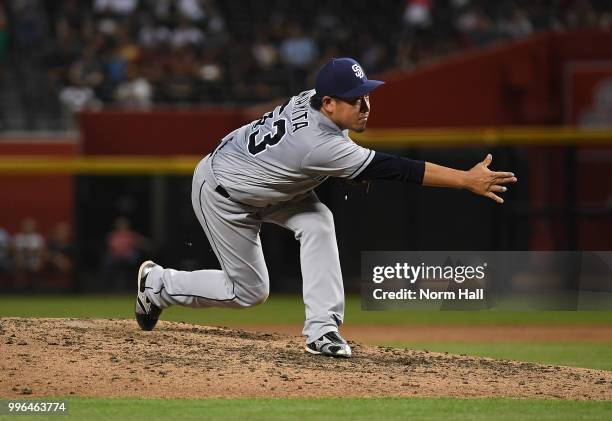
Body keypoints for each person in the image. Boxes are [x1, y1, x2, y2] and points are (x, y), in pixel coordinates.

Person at [135, 57, 517, 358]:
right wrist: (466, 179)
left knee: (319, 221)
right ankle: (158, 286)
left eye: (367, 94)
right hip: (225, 193)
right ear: (330, 103)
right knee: (250, 292)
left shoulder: (314, 98)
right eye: (356, 99)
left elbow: (320, 153)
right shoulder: (319, 143)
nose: (366, 104)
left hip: (266, 182)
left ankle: (322, 330)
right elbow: (399, 170)